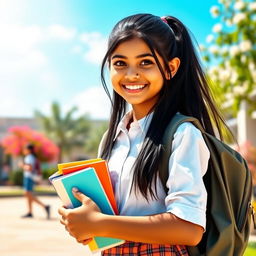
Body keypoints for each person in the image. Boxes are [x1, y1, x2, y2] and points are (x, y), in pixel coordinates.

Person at [58, 14, 231, 255]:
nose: (131, 74)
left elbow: (189, 230)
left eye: (145, 62)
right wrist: (85, 223)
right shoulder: (111, 137)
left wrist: (100, 223)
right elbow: (109, 220)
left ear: (171, 68)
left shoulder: (182, 134)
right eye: (120, 63)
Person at [20, 143, 50, 219]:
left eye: (24, 149)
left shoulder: (29, 157)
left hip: (29, 177)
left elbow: (29, 168)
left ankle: (45, 206)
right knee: (28, 195)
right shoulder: (32, 157)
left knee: (27, 194)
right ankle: (30, 212)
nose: (23, 150)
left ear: (29, 150)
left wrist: (22, 165)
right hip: (31, 177)